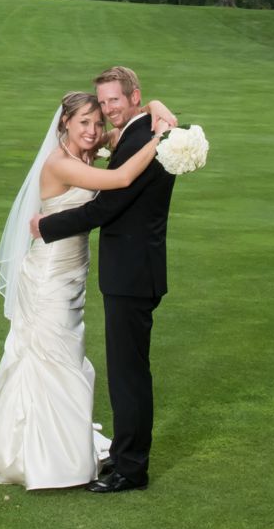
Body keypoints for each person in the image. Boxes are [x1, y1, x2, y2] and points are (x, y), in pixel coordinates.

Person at [0, 89, 177, 490]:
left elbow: (133, 114)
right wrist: (160, 139)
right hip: (49, 276)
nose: (95, 131)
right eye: (84, 123)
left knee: (66, 356)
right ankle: (42, 454)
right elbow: (122, 178)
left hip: (73, 274)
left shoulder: (87, 152)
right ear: (64, 124)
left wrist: (159, 109)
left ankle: (63, 447)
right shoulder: (61, 163)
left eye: (98, 123)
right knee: (52, 358)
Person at [29, 66, 179, 494]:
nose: (109, 111)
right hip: (130, 270)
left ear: (134, 97)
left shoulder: (144, 138)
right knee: (126, 371)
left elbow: (105, 207)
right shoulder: (141, 129)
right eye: (103, 103)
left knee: (129, 373)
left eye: (115, 101)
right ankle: (125, 450)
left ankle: (131, 467)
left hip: (132, 274)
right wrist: (158, 109)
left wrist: (48, 225)